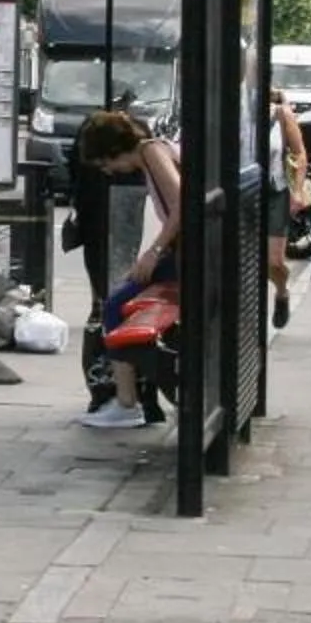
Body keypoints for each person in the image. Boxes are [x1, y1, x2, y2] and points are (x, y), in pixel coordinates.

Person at [74, 108, 181, 429]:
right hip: (183, 253)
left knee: (115, 305)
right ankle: (130, 400)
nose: (108, 172)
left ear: (114, 150)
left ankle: (127, 404)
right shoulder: (156, 150)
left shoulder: (150, 151)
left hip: (183, 256)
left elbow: (181, 201)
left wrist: (154, 252)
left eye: (105, 163)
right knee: (119, 299)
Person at [265, 86, 311, 332]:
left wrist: (297, 189)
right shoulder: (238, 114)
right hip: (246, 193)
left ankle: (282, 292)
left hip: (276, 192)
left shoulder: (281, 115)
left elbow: (300, 153)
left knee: (273, 262)